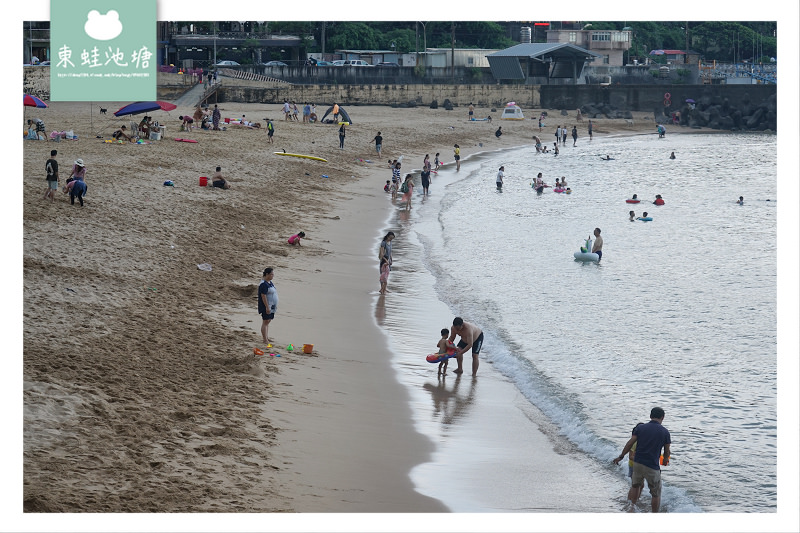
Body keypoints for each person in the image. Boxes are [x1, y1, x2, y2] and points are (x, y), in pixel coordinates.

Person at [612, 407, 671, 512]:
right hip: (652, 466)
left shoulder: (641, 428)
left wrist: (621, 456)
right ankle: (654, 514)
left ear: (650, 416)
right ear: (662, 417)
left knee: (635, 486)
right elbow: (667, 451)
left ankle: (632, 508)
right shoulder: (665, 432)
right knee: (655, 493)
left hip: (638, 463)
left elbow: (630, 443)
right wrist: (666, 460)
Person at [258, 267, 278, 345]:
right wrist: (267, 307)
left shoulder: (269, 282)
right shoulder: (263, 284)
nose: (273, 276)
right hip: (267, 306)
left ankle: (266, 337)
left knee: (268, 321)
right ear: (267, 274)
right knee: (265, 321)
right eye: (271, 274)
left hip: (272, 305)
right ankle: (264, 339)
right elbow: (263, 296)